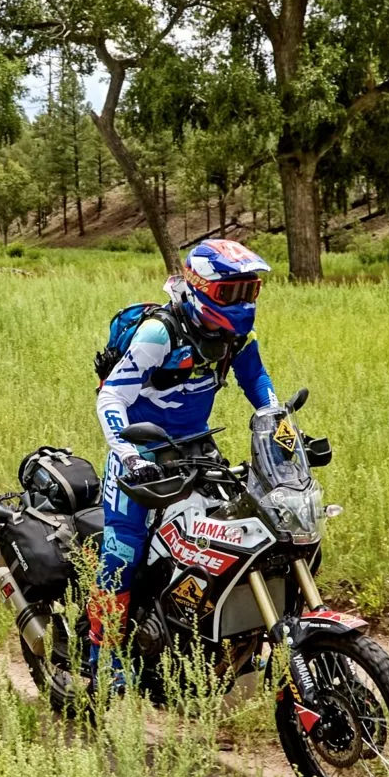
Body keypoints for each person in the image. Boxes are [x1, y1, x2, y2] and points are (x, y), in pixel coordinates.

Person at [89, 237, 282, 686]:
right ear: (202, 288)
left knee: (243, 534)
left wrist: (281, 427)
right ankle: (104, 661)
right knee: (122, 553)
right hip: (141, 456)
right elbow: (112, 396)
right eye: (232, 292)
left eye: (250, 291)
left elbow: (258, 383)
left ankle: (226, 641)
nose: (243, 302)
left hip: (197, 451)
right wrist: (129, 454)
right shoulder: (161, 333)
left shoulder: (234, 337)